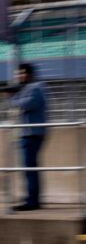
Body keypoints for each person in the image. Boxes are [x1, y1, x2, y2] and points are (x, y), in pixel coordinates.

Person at [5, 63, 49, 211]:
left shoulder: (36, 87)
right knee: (29, 168)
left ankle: (32, 201)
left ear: (30, 74)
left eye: (23, 73)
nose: (21, 76)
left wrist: (11, 98)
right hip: (27, 133)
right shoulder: (27, 88)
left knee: (30, 168)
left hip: (33, 134)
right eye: (19, 73)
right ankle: (31, 199)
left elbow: (27, 104)